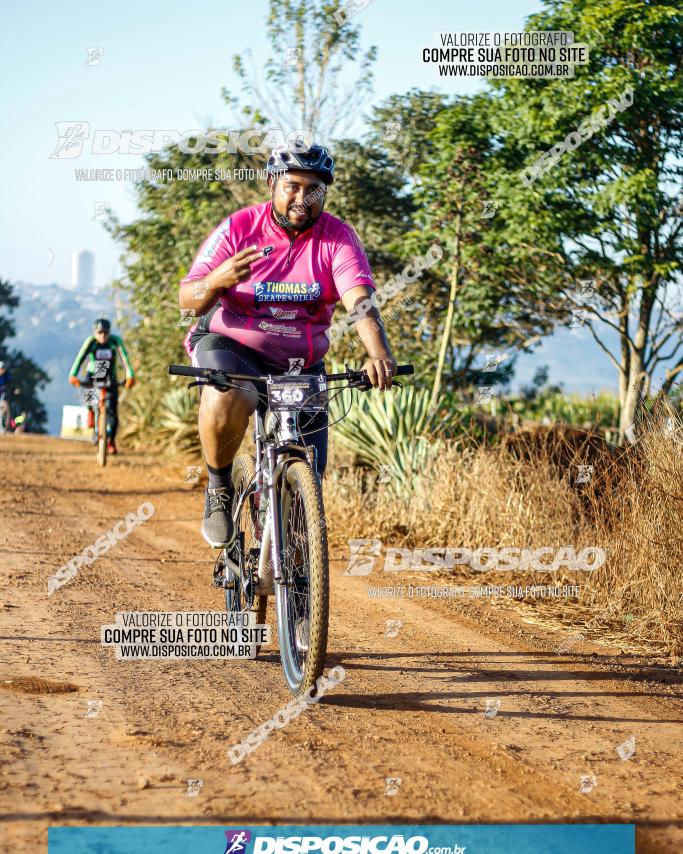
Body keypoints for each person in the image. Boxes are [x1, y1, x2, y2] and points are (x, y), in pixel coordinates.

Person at [179, 142, 397, 548]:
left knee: (307, 479)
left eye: (314, 189)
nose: (302, 198)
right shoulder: (238, 228)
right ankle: (220, 487)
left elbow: (360, 302)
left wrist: (378, 352)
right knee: (225, 396)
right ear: (271, 183)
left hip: (300, 363)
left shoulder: (337, 237)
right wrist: (218, 280)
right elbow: (188, 299)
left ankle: (296, 579)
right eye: (293, 186)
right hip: (232, 345)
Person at [68, 319, 135, 454]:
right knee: (87, 385)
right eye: (100, 333)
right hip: (94, 372)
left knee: (113, 412)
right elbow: (80, 357)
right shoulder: (91, 342)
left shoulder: (115, 341)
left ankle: (111, 441)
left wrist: (130, 375)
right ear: (95, 332)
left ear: (110, 332)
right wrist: (73, 374)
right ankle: (90, 412)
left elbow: (125, 358)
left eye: (106, 332)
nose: (103, 336)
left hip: (111, 375)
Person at [0, 361, 12, 434]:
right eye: (1, 369)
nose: (2, 370)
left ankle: (5, 429)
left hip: (2, 397)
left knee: (6, 411)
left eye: (3, 369)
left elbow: (11, 384)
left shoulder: (6, 376)